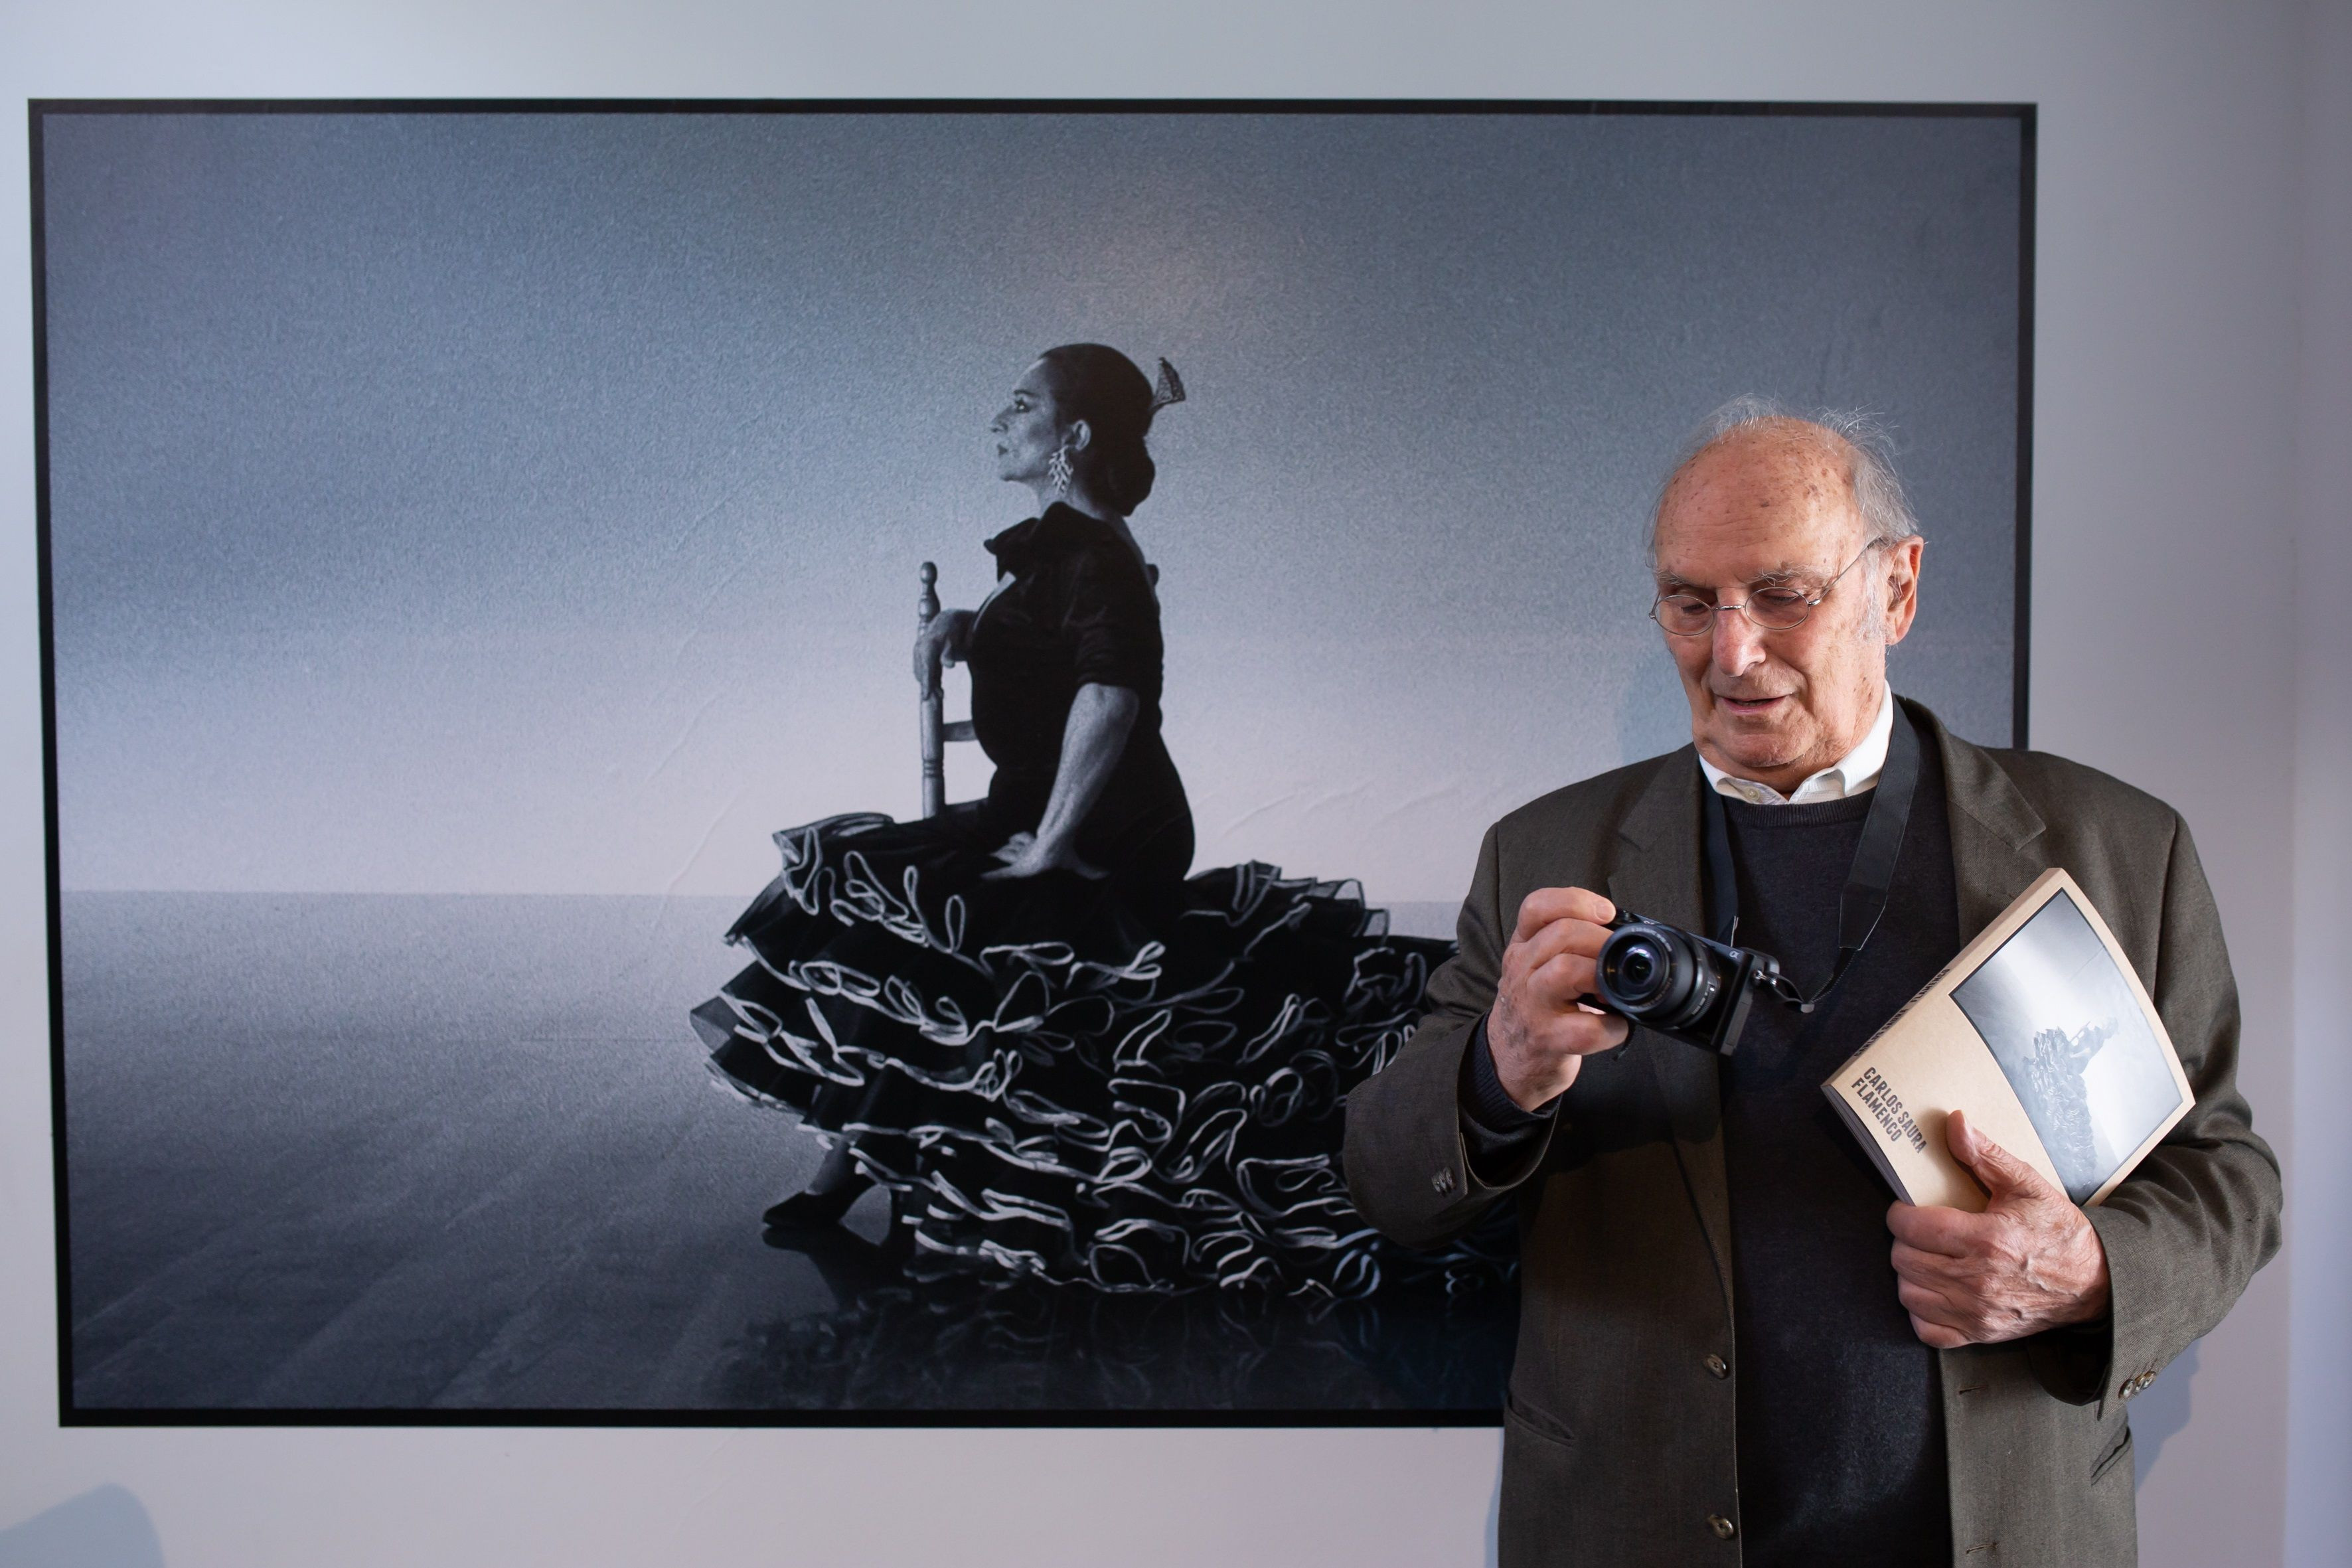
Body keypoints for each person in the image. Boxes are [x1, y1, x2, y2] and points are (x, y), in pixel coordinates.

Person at [1342, 400, 2280, 1567]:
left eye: (1784, 594)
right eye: (1691, 602)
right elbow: (1387, 1179)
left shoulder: (2117, 848)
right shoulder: (1543, 855)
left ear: (1897, 589)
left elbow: (2226, 1177)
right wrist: (1500, 1073)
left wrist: (2087, 1271)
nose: (1730, 652)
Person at [692, 344, 1500, 1300]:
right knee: (888, 927)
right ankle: (859, 1159)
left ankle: (879, 1164)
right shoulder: (1061, 545)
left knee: (937, 928)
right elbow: (1043, 651)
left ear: (1071, 437)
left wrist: (1054, 842)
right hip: (1035, 804)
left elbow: (1109, 699)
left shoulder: (1095, 554)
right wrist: (964, 625)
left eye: (1020, 403)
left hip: (1108, 824)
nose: (999, 419)